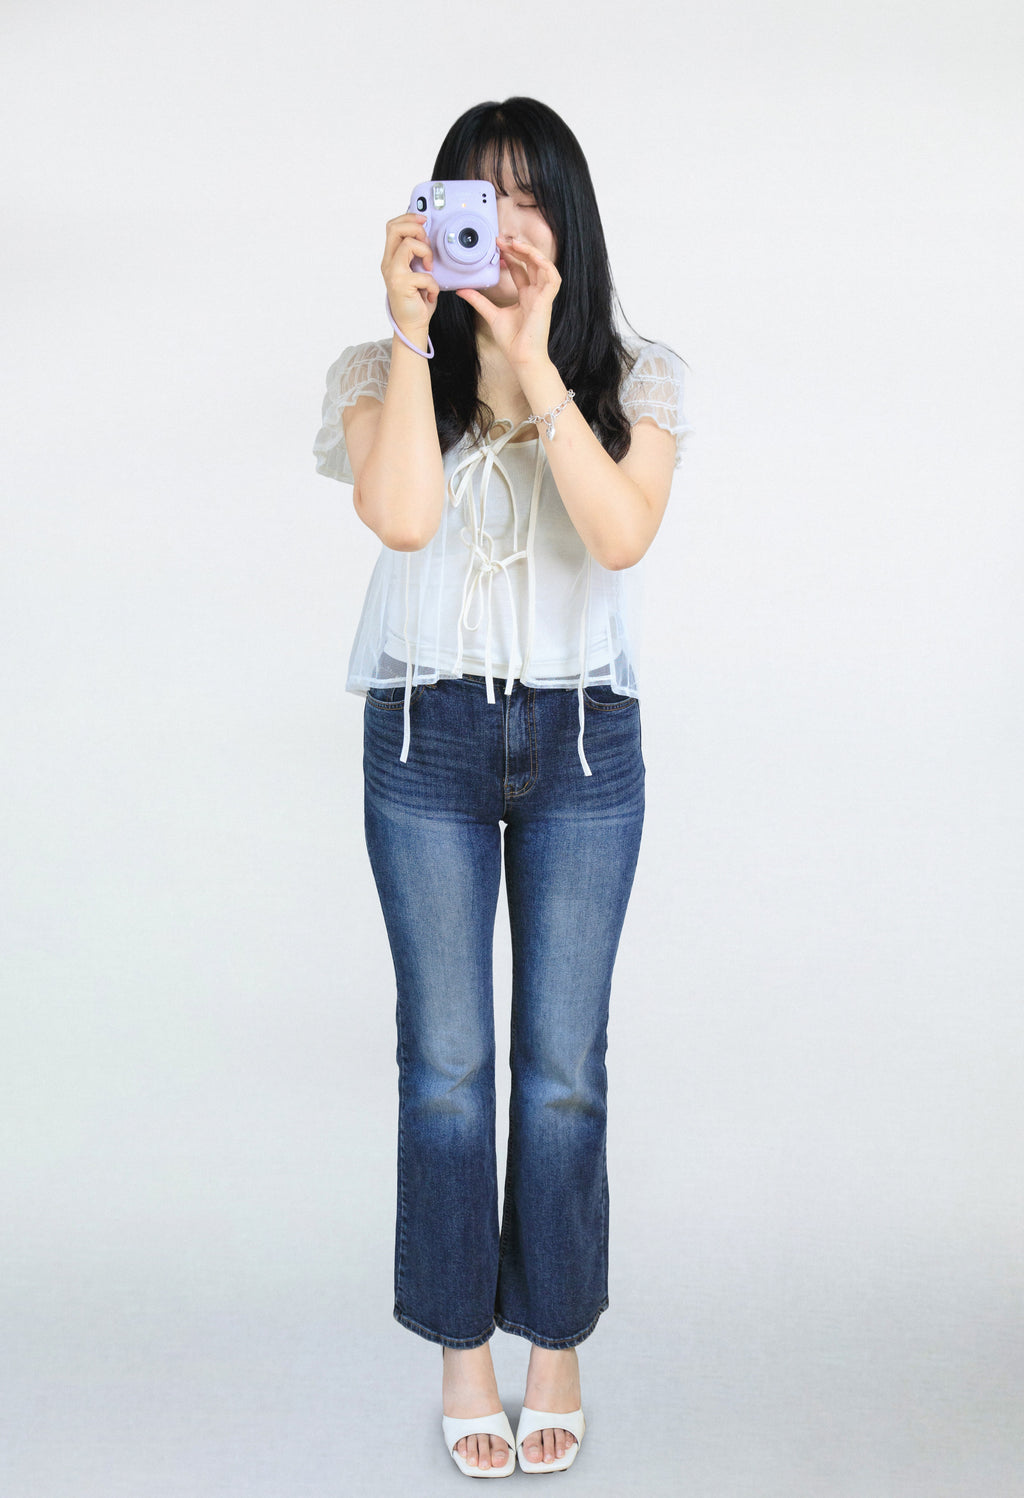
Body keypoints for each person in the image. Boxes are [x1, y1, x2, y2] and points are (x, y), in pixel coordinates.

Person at [313, 97, 691, 1478]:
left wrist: (534, 363)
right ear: (432, 224)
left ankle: (556, 1341)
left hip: (586, 747)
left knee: (563, 1074)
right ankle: (464, 1349)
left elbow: (619, 534)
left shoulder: (636, 380)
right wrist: (420, 334)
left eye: (529, 199)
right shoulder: (378, 368)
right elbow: (404, 513)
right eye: (475, 199)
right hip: (427, 743)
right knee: (452, 1069)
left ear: (569, 220)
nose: (503, 224)